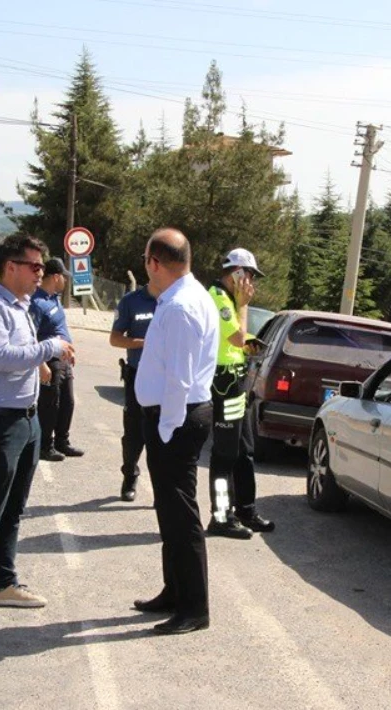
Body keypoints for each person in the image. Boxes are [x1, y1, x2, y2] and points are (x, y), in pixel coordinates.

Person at [0, 233, 75, 625]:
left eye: (42, 266)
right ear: (11, 267)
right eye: (35, 266)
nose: (42, 273)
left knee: (14, 510)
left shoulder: (22, 306)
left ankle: (4, 584)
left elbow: (24, 352)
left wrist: (40, 364)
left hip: (27, 419)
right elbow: (3, 358)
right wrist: (51, 349)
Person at [132, 228, 219, 635]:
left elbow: (179, 381)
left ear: (154, 262)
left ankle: (195, 608)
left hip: (177, 420)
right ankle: (175, 591)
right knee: (168, 512)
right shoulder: (182, 297)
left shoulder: (181, 306)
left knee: (182, 517)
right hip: (174, 418)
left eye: (145, 260)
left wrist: (165, 430)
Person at [205, 248, 276, 539]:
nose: (251, 283)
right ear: (236, 273)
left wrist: (251, 344)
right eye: (248, 276)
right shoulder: (219, 298)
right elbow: (235, 335)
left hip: (237, 380)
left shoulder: (230, 299)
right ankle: (221, 517)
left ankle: (246, 509)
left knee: (245, 450)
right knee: (224, 453)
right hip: (223, 381)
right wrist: (243, 305)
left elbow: (239, 341)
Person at [110, 282, 158, 501]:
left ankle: (163, 488)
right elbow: (115, 338)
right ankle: (130, 475)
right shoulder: (131, 301)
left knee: (164, 437)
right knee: (133, 435)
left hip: (167, 381)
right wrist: (143, 343)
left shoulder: (177, 300)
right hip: (137, 376)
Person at [31, 257, 83, 462]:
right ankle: (45, 445)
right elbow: (30, 336)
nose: (66, 281)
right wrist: (41, 365)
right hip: (49, 360)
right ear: (55, 277)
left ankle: (63, 441)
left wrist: (70, 352)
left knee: (67, 403)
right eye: (63, 277)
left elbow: (61, 328)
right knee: (49, 405)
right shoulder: (37, 303)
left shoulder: (54, 298)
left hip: (63, 360)